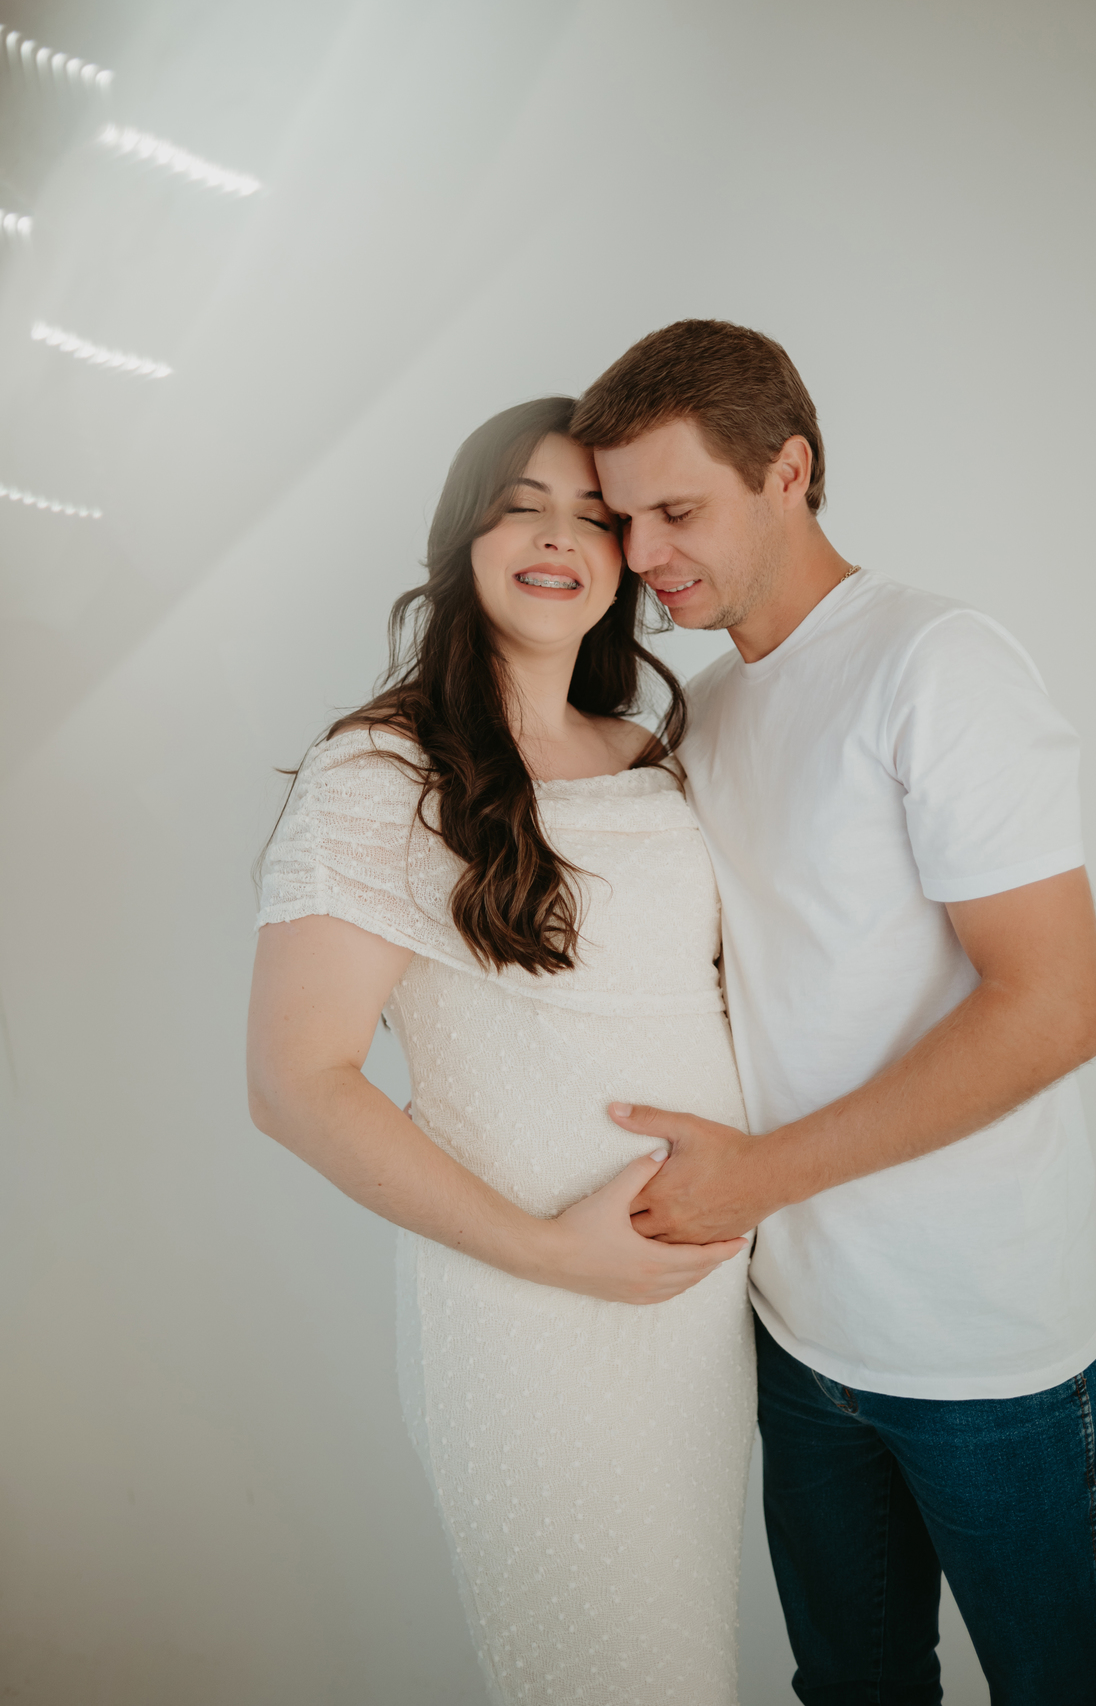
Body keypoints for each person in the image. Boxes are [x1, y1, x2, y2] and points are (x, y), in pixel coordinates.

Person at [572, 321, 1096, 1706]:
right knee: (849, 1689)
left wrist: (753, 1180)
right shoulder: (709, 710)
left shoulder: (936, 663)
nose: (642, 556)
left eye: (677, 511)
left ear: (789, 472)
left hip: (988, 1348)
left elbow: (1056, 1009)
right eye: (624, 519)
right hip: (798, 1332)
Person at [246, 397, 756, 1706]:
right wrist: (551, 1251)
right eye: (522, 507)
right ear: (462, 537)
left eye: (594, 516)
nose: (558, 539)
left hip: (695, 1320)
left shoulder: (652, 757)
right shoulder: (382, 770)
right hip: (527, 1310)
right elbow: (297, 1084)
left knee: (688, 1664)